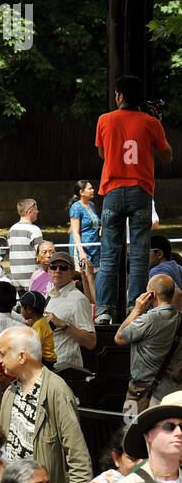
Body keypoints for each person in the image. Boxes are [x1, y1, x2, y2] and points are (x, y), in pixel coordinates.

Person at [0, 326, 92, 483]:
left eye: (3, 354)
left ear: (22, 356)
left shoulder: (56, 391)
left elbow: (78, 456)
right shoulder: (10, 392)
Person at [95, 74, 172, 322]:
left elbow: (101, 153)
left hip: (113, 191)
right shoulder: (150, 123)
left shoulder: (104, 120)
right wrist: (156, 123)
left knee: (109, 255)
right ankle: (134, 308)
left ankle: (105, 310)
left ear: (119, 96)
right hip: (141, 191)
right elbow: (167, 156)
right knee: (139, 254)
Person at [116, 275, 181, 414]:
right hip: (171, 390)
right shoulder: (179, 317)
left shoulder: (149, 319)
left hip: (139, 392)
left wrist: (137, 310)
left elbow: (119, 338)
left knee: (129, 429)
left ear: (152, 295)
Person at [42, 251, 96, 386]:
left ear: (72, 272)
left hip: (67, 372)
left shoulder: (78, 299)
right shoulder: (50, 297)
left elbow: (91, 342)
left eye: (63, 267)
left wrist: (63, 324)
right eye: (54, 267)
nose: (57, 271)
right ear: (49, 271)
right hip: (49, 370)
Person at [7, 199, 43, 289]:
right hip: (33, 280)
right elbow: (41, 255)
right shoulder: (35, 230)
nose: (38, 211)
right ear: (30, 211)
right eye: (36, 209)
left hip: (16, 280)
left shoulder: (12, 230)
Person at [68, 178, 102, 270]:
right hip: (82, 247)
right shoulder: (76, 207)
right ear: (81, 192)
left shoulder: (91, 205)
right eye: (89, 189)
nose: (93, 190)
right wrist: (81, 251)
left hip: (93, 246)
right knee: (84, 275)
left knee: (94, 274)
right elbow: (75, 232)